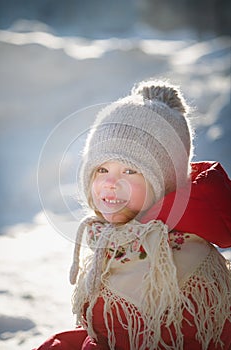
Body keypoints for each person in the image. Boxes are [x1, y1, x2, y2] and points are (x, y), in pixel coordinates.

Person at [34, 79, 231, 350]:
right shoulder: (119, 238)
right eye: (102, 170)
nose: (110, 183)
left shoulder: (177, 260)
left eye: (130, 171)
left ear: (165, 182)